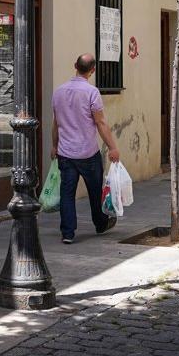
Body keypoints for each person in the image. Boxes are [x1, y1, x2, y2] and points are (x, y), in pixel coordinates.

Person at [51, 53, 120, 244]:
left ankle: (67, 232)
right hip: (88, 152)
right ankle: (100, 223)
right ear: (93, 70)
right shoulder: (91, 92)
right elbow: (100, 122)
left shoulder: (58, 92)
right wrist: (112, 147)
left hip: (65, 152)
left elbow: (56, 123)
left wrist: (54, 145)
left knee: (67, 192)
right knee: (95, 190)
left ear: (75, 65)